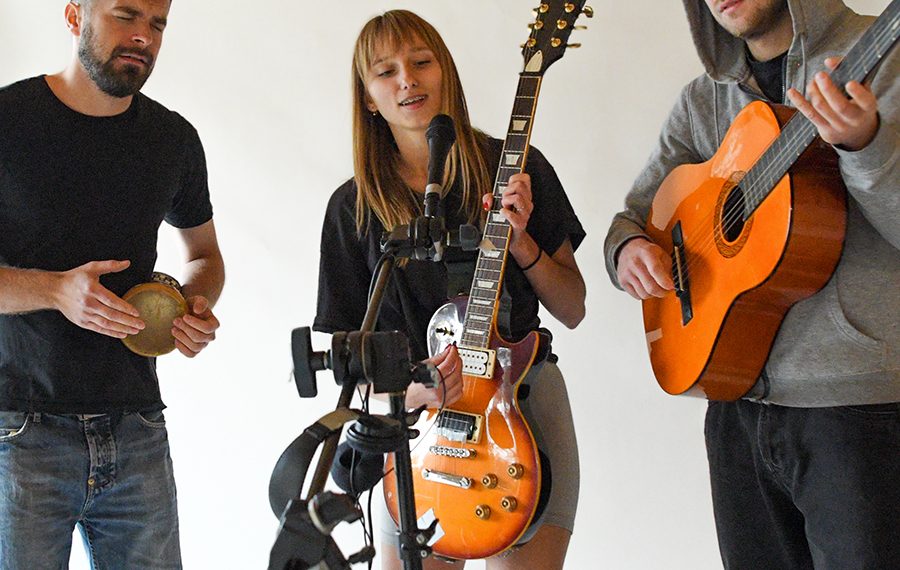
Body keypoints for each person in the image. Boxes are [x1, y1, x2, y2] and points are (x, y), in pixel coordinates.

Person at [605, 0, 898, 568]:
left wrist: (866, 150)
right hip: (732, 406)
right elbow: (634, 219)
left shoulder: (881, 56)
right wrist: (628, 251)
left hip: (856, 409)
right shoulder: (701, 102)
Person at [314, 10, 586, 570]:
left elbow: (572, 307)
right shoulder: (352, 209)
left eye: (421, 62)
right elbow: (346, 357)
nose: (407, 81)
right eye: (386, 72)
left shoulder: (517, 170)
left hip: (524, 407)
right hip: (413, 430)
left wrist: (522, 244)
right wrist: (414, 392)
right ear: (368, 97)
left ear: (446, 73)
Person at [0, 0, 224, 568]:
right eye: (126, 15)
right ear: (75, 15)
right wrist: (55, 290)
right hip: (19, 429)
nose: (143, 36)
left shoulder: (173, 139)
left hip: (137, 425)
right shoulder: (8, 121)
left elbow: (204, 255)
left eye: (157, 23)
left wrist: (195, 305)